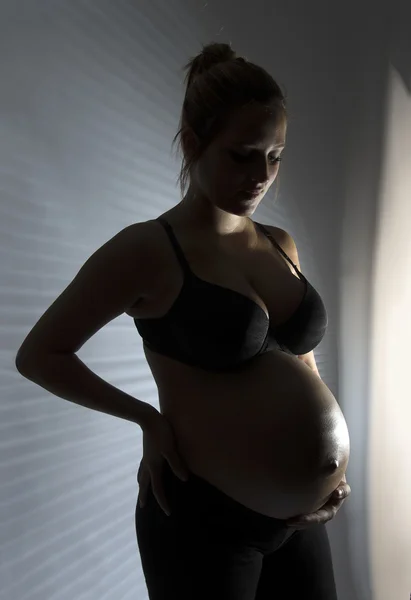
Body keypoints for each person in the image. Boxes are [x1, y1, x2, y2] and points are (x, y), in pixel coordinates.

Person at [15, 42, 351, 600]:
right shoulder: (148, 249)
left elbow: (303, 369)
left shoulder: (280, 244)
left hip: (300, 526)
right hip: (204, 521)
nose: (261, 174)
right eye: (242, 154)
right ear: (195, 145)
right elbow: (40, 354)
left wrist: (329, 473)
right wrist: (147, 419)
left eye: (275, 155)